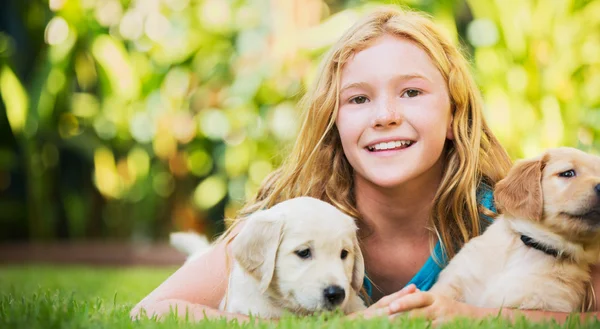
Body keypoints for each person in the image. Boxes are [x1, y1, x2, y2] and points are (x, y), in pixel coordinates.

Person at [131, 6, 600, 323]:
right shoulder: (300, 220)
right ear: (335, 122)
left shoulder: (511, 219)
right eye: (358, 98)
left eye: (412, 92)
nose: (385, 115)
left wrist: (463, 316)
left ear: (455, 115)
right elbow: (151, 311)